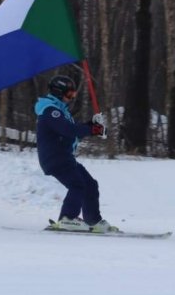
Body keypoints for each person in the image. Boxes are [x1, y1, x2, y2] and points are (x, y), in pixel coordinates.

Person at [34, 75, 119, 233]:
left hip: (65, 157)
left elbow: (72, 131)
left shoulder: (60, 111)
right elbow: (68, 130)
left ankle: (93, 221)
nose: (72, 98)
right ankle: (68, 219)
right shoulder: (50, 111)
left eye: (73, 94)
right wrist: (92, 130)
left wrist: (91, 125)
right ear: (59, 93)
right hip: (55, 157)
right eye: (69, 94)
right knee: (77, 185)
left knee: (90, 184)